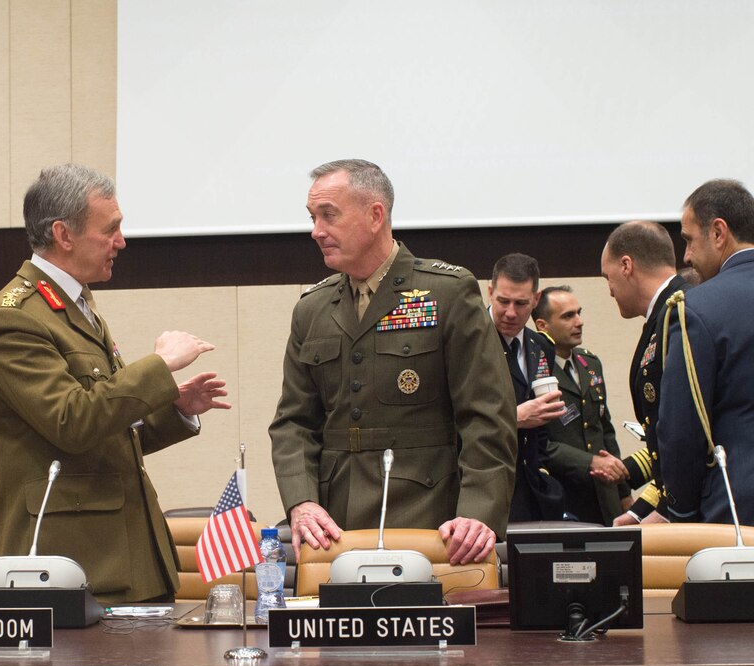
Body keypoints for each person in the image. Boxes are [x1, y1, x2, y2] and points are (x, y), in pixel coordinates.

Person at [0, 164, 229, 603]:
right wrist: (159, 366)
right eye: (110, 229)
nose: (121, 242)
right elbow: (72, 422)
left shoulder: (74, 305)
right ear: (63, 234)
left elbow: (110, 432)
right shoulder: (13, 318)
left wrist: (176, 410)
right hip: (71, 559)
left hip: (120, 551)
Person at [269, 159, 515, 566]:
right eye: (313, 218)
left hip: (430, 520)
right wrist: (302, 502)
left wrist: (477, 511)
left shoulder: (447, 293)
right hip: (334, 529)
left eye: (329, 215)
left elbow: (487, 415)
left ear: (375, 215)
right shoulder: (312, 309)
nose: (316, 231)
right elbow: (293, 422)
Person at [659, 179, 754, 525]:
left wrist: (681, 512)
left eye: (688, 239)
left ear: (718, 232)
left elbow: (680, 431)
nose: (685, 256)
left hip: (737, 513)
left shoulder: (697, 309)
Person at [599, 220, 688, 525]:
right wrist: (639, 512)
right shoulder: (663, 314)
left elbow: (687, 436)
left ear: (626, 266)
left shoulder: (681, 310)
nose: (609, 290)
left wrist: (666, 513)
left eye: (607, 277)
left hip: (694, 508)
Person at [534, 285, 633, 524]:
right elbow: (539, 445)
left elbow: (604, 431)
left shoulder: (589, 363)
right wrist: (589, 462)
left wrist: (624, 492)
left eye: (578, 313)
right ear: (542, 325)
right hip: (562, 496)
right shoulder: (532, 371)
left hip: (604, 496)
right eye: (568, 316)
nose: (579, 322)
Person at [488, 253, 565, 522]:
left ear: (535, 299)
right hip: (486, 486)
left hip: (534, 488)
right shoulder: (468, 341)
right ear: (489, 292)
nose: (510, 312)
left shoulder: (542, 345)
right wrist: (515, 418)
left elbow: (544, 424)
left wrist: (543, 472)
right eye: (503, 301)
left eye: (521, 303)